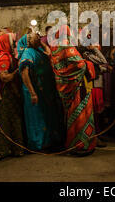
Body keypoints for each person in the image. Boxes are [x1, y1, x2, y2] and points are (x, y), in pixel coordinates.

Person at [49, 25, 97, 156]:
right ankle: (82, 145)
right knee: (81, 114)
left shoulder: (55, 48)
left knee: (70, 115)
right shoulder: (66, 45)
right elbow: (79, 64)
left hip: (65, 88)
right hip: (77, 87)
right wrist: (89, 64)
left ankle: (72, 143)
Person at [18, 32, 64, 151]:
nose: (39, 38)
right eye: (35, 37)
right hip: (34, 91)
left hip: (43, 90)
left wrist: (41, 43)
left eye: (39, 37)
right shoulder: (28, 52)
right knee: (36, 117)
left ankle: (48, 140)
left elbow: (48, 53)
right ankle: (38, 143)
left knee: (46, 115)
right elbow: (24, 73)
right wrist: (32, 93)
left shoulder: (37, 50)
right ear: (29, 41)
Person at [0, 32, 25, 160]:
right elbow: (5, 77)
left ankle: (9, 149)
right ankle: (12, 149)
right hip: (7, 93)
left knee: (8, 120)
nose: (14, 44)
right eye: (12, 42)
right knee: (10, 120)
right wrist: (18, 70)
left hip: (8, 93)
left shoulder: (2, 55)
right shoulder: (5, 58)